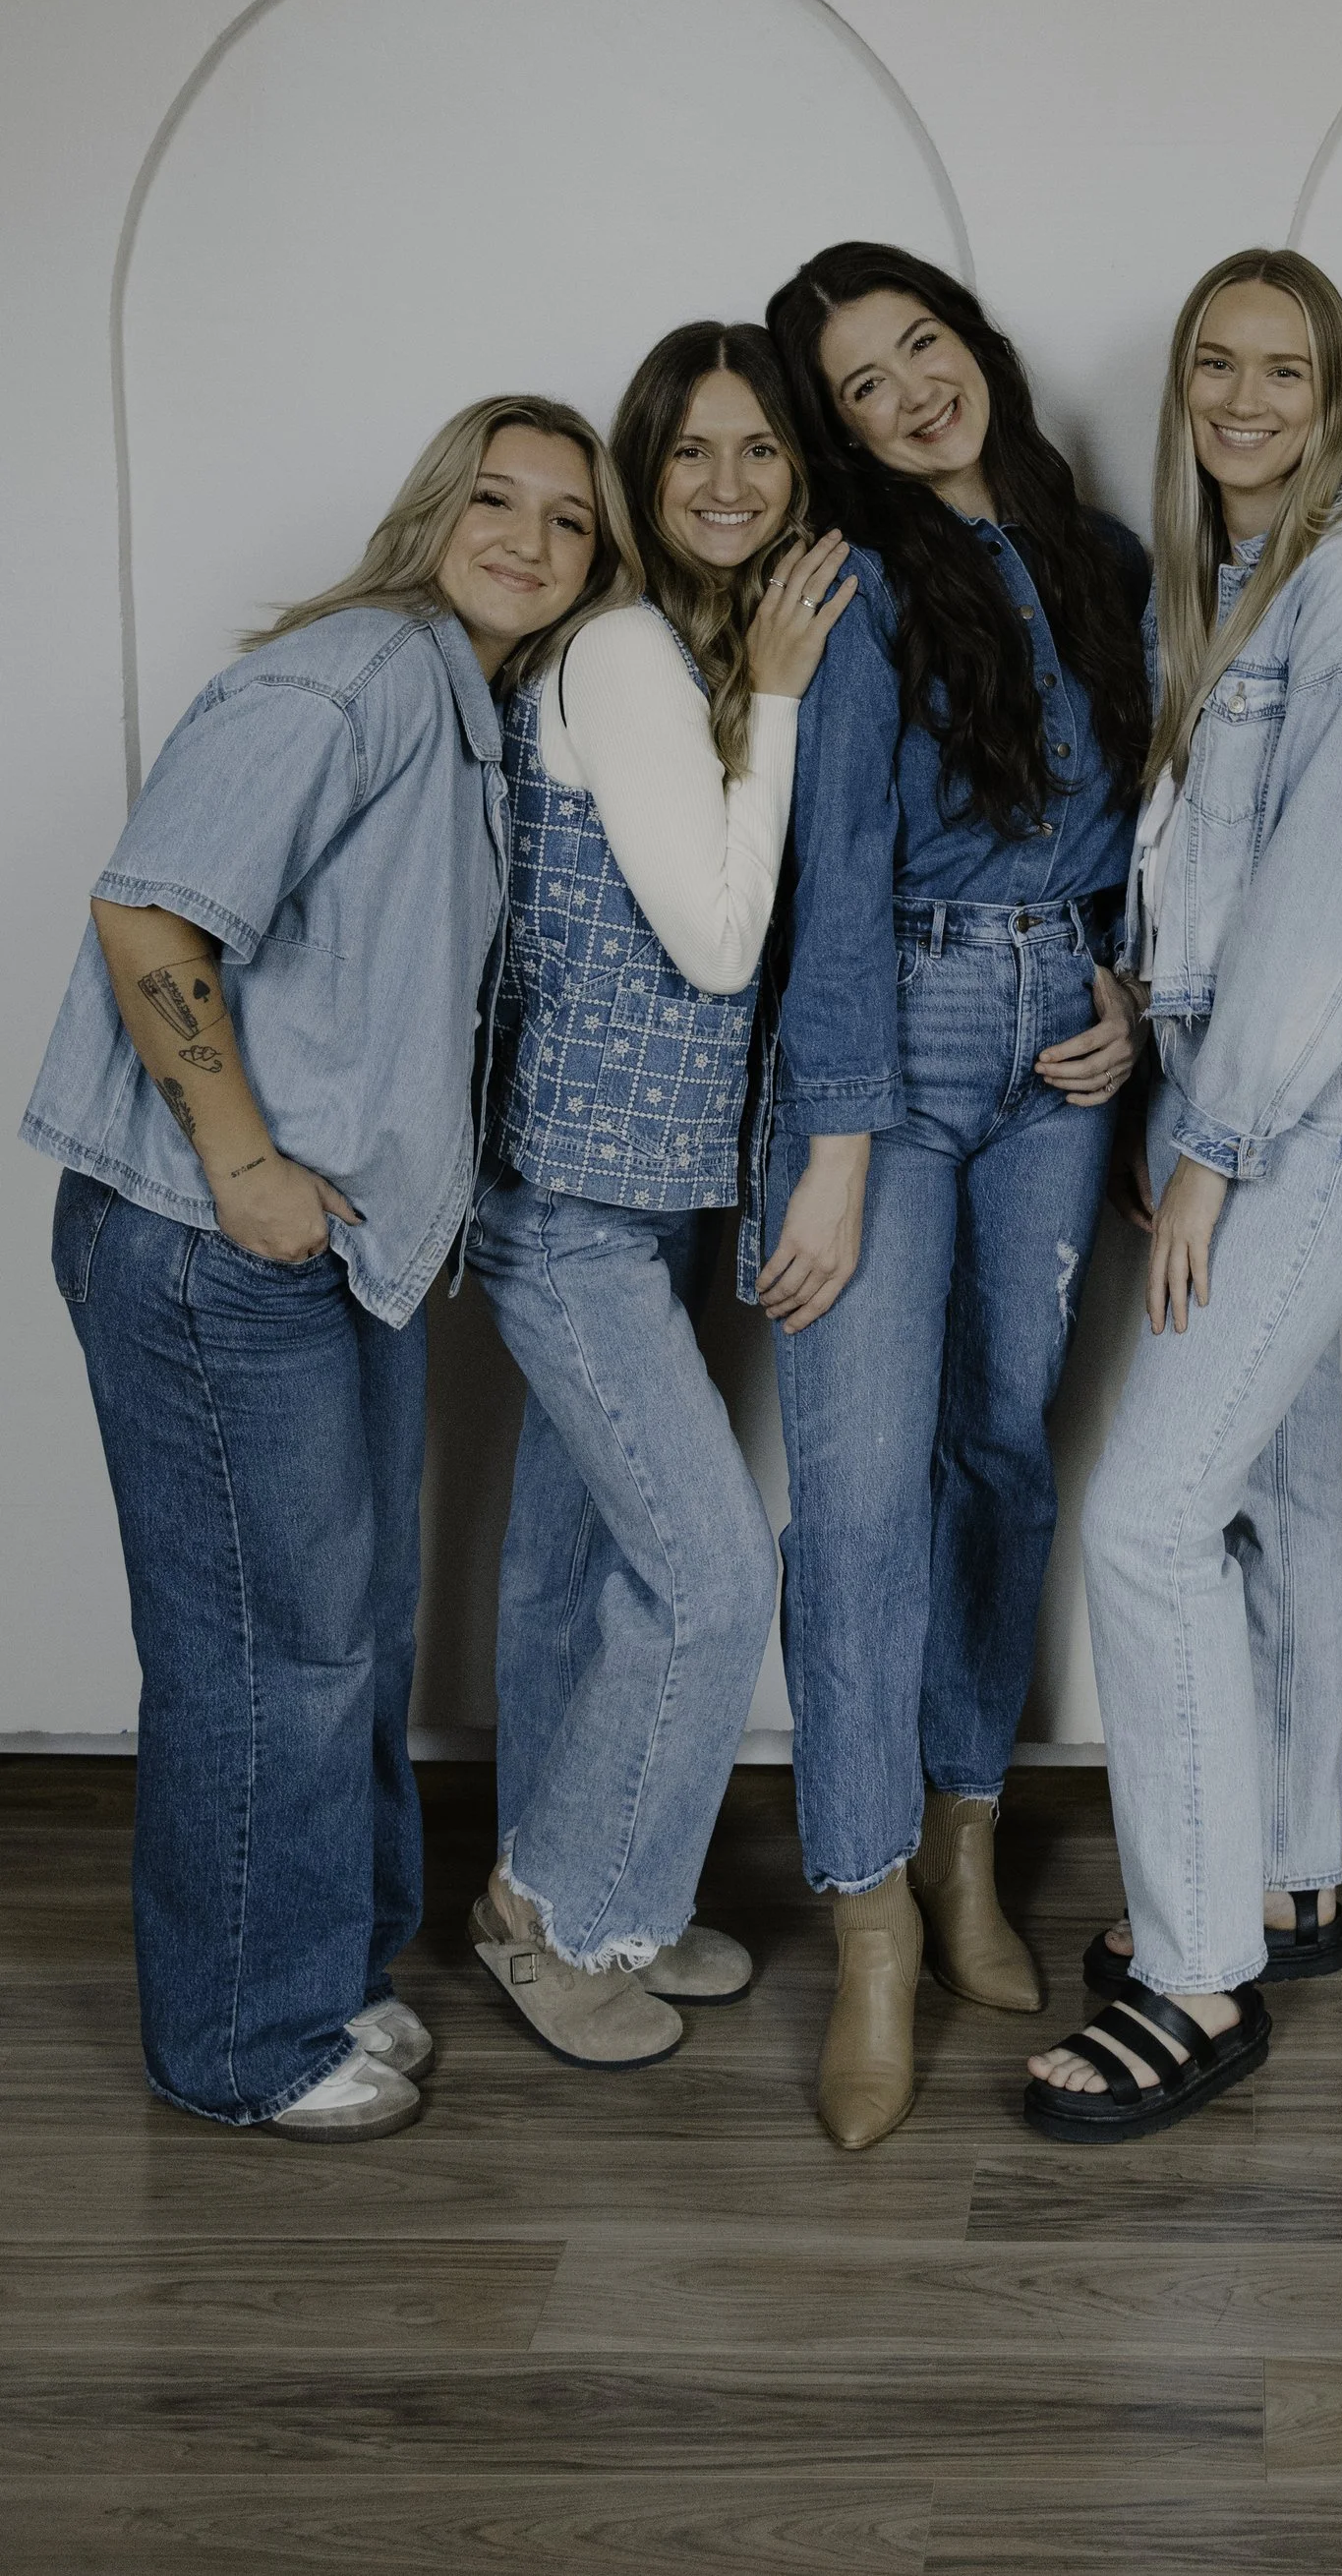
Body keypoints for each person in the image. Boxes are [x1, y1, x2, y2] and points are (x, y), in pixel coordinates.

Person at [24, 397, 623, 2139]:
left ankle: (327, 1970)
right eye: (494, 498)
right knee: (265, 1653)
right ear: (433, 513)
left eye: (569, 521)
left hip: (327, 1253)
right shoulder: (362, 672)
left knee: (343, 1633)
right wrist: (245, 1166)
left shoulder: (468, 716)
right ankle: (240, 2040)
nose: (526, 535)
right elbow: (149, 914)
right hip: (215, 1238)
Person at [1023, 248, 1342, 2141]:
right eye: (1218, 365)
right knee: (1268, 1482)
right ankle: (1283, 1864)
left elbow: (1333, 903)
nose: (1247, 400)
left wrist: (1212, 1147)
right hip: (1225, 1077)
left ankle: (1200, 1973)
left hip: (1309, 1102)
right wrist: (1134, 1000)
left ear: (1334, 394)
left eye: (1288, 371)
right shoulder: (1230, 588)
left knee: (1146, 1519)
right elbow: (1208, 872)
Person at [759, 242, 1150, 2149]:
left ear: (969, 342)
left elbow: (1156, 824)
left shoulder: (1100, 554)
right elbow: (827, 878)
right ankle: (867, 1938)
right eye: (859, 384)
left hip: (1053, 1050)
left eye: (920, 344)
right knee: (849, 1494)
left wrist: (1129, 987)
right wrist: (830, 1150)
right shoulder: (844, 593)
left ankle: (960, 1841)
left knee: (1000, 1447)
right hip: (882, 1045)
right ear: (834, 433)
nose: (910, 389)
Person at [462, 325, 853, 2069]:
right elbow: (717, 938)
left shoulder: (662, 648)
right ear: (644, 468)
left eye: (759, 451)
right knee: (705, 1575)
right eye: (689, 452)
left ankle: (606, 1887)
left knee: (587, 1567)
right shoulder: (628, 643)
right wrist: (774, 697)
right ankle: (549, 1915)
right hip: (569, 1206)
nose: (724, 485)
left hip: (634, 1202)